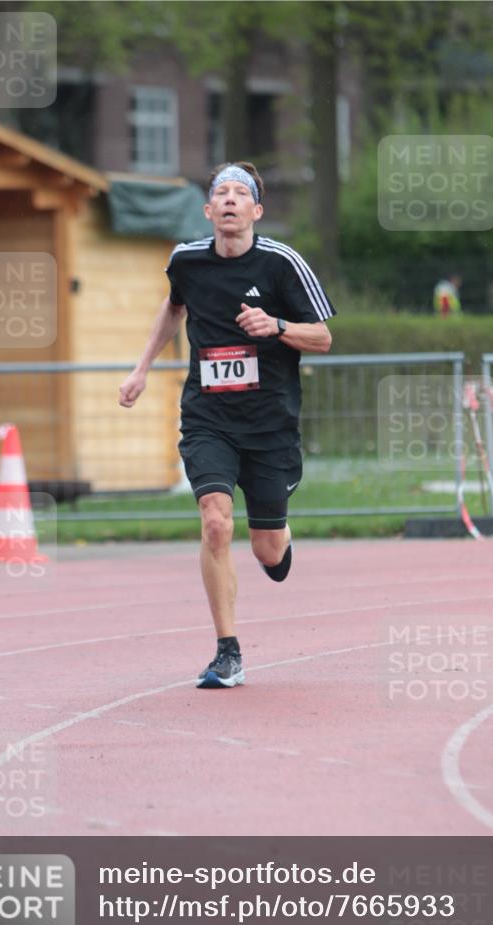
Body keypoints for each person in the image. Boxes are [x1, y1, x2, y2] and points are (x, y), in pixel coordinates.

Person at [119, 162, 335, 689]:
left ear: (257, 210)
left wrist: (277, 326)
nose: (231, 200)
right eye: (222, 193)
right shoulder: (186, 261)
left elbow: (323, 337)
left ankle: (279, 539)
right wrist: (142, 368)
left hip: (269, 423)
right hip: (208, 417)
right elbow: (173, 310)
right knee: (215, 521)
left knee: (267, 550)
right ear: (209, 210)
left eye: (242, 193)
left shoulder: (283, 264)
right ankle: (227, 652)